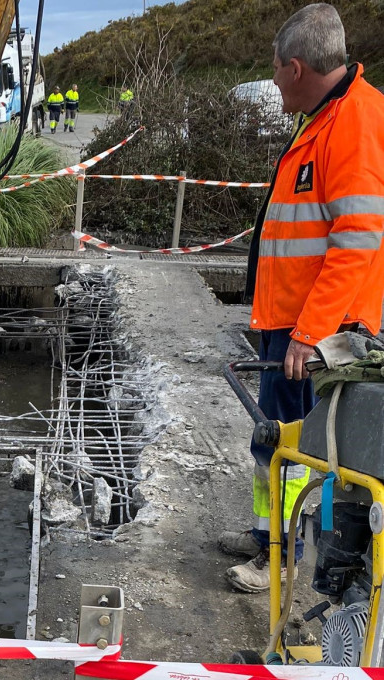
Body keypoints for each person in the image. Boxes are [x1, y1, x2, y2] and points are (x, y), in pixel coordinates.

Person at [221, 3, 384, 593]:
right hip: (287, 324)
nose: (271, 77)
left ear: (295, 67)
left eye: (273, 66)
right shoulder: (322, 115)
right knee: (272, 437)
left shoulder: (357, 123)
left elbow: (358, 242)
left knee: (300, 448)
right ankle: (267, 535)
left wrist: (311, 331)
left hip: (317, 335)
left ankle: (284, 557)